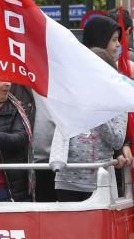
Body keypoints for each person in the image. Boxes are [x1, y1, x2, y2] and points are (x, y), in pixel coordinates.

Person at [53, 49, 127, 202]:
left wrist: (97, 110)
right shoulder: (70, 96)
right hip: (67, 181)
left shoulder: (118, 102)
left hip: (100, 183)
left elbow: (117, 140)